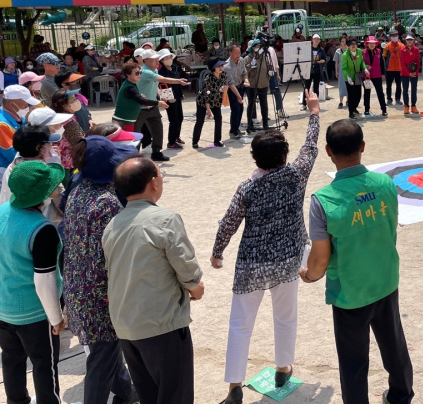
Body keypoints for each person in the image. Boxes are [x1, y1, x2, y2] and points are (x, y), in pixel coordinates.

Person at [211, 91, 320, 404]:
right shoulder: (296, 174)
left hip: (252, 264)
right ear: (284, 156)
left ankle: (234, 387)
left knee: (240, 324)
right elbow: (310, 147)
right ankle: (283, 367)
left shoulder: (248, 186)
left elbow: (228, 222)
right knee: (286, 316)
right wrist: (313, 113)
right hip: (289, 258)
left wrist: (218, 252)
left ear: (255, 157)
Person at [300, 119, 414, 404]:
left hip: (349, 291)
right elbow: (389, 227)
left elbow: (321, 256)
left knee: (353, 361)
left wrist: (310, 275)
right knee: (394, 344)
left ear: (328, 151)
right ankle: (401, 394)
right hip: (385, 278)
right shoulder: (386, 183)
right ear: (363, 147)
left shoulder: (323, 200)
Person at [103, 156, 204, 404]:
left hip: (126, 324)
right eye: (161, 175)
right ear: (153, 183)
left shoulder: (112, 225)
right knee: (174, 395)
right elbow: (185, 266)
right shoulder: (165, 219)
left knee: (148, 393)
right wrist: (195, 287)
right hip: (161, 325)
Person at [62, 136, 138, 404]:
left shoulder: (77, 192)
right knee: (101, 359)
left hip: (76, 291)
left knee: (105, 350)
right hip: (100, 298)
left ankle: (127, 392)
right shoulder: (108, 202)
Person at [0, 160, 68, 404]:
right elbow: (45, 280)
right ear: (42, 194)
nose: (57, 186)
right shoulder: (42, 229)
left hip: (4, 307)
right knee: (44, 366)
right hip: (35, 313)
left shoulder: (3, 211)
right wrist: (56, 317)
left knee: (11, 359)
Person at [136, 50, 189, 162]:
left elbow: (155, 86)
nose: (157, 60)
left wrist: (160, 97)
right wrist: (179, 81)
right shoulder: (145, 71)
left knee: (157, 130)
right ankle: (132, 157)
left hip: (152, 105)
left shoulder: (154, 69)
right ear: (146, 61)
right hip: (139, 108)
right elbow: (163, 79)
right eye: (154, 59)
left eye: (157, 58)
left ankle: (156, 153)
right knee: (136, 133)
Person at [113, 62, 169, 132]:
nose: (139, 75)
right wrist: (158, 103)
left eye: (140, 73)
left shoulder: (131, 84)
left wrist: (142, 101)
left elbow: (137, 100)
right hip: (123, 121)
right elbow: (141, 100)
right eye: (136, 73)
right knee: (129, 141)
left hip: (126, 120)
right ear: (128, 75)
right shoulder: (129, 87)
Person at [0, 85, 42, 176]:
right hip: (8, 172)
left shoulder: (20, 118)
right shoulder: (2, 125)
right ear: (12, 104)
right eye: (26, 103)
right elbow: (13, 155)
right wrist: (40, 154)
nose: (28, 106)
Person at [192, 58, 227, 149]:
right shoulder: (208, 79)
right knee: (200, 120)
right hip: (203, 101)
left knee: (219, 118)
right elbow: (206, 95)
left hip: (216, 100)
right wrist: (208, 110)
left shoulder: (223, 75)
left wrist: (223, 89)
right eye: (218, 66)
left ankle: (217, 140)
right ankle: (195, 141)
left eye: (221, 66)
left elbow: (225, 85)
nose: (220, 68)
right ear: (213, 68)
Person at [49, 89, 84, 175]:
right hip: (68, 163)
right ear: (64, 105)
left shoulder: (58, 117)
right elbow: (78, 143)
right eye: (73, 100)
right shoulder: (69, 122)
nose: (77, 101)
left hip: (61, 160)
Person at [243, 39, 274, 133]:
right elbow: (244, 71)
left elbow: (270, 66)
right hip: (252, 84)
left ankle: (265, 124)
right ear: (252, 47)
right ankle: (250, 124)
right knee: (251, 104)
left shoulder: (265, 57)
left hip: (264, 83)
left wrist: (271, 71)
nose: (259, 48)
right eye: (257, 46)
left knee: (264, 104)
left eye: (260, 46)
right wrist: (250, 66)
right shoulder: (247, 58)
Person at [157, 49, 185, 150]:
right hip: (169, 98)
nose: (169, 59)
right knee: (173, 120)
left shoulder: (174, 68)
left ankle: (177, 136)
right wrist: (167, 98)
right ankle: (171, 141)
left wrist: (181, 95)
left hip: (177, 96)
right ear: (162, 60)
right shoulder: (161, 72)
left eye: (170, 57)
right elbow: (161, 86)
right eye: (166, 58)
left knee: (180, 117)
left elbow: (178, 82)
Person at [224, 45, 248, 139]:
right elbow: (230, 83)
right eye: (236, 53)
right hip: (232, 89)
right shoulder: (227, 66)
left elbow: (244, 73)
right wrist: (238, 96)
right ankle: (233, 130)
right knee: (235, 110)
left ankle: (237, 128)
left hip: (240, 86)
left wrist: (246, 80)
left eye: (239, 52)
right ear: (230, 53)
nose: (238, 55)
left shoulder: (241, 60)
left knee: (241, 109)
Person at [363, 36, 387, 118]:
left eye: (373, 43)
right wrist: (365, 66)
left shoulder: (379, 51)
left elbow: (382, 63)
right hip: (367, 76)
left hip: (377, 75)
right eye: (370, 43)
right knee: (367, 93)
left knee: (380, 92)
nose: (372, 45)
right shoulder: (363, 52)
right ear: (367, 44)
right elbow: (360, 63)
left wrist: (383, 73)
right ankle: (366, 110)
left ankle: (384, 109)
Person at [342, 39, 366, 120]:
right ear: (348, 46)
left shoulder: (359, 51)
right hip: (349, 78)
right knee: (351, 95)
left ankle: (354, 107)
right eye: (352, 45)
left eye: (355, 44)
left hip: (358, 76)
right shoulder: (345, 55)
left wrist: (364, 68)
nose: (354, 46)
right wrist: (347, 77)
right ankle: (351, 112)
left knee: (358, 94)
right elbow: (344, 68)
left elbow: (362, 61)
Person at [305, 34, 327, 110]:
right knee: (306, 87)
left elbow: (325, 59)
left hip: (317, 70)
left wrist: (322, 61)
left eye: (318, 39)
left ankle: (316, 104)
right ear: (312, 40)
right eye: (315, 39)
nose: (316, 40)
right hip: (309, 70)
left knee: (316, 87)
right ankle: (305, 104)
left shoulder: (321, 50)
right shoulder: (308, 49)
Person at [400, 34, 421, 115]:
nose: (409, 41)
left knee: (414, 90)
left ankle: (413, 106)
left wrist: (415, 72)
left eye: (411, 40)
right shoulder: (402, 50)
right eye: (408, 40)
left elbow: (418, 61)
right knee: (405, 90)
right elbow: (402, 62)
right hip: (405, 73)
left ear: (413, 40)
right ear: (406, 41)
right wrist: (408, 73)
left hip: (414, 72)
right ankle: (406, 106)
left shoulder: (416, 49)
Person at [382, 30, 403, 105]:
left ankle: (398, 99)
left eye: (396, 35)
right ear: (390, 37)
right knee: (388, 85)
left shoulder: (401, 46)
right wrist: (384, 69)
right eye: (393, 36)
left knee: (399, 85)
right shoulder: (387, 46)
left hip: (399, 68)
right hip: (389, 69)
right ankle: (389, 99)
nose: (394, 37)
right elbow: (384, 57)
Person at [334, 36, 349, 109]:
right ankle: (341, 102)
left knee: (349, 85)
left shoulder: (350, 50)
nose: (344, 43)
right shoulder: (338, 51)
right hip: (341, 70)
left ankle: (348, 100)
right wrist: (336, 71)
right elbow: (336, 62)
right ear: (340, 42)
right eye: (342, 41)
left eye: (345, 41)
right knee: (341, 86)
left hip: (349, 70)